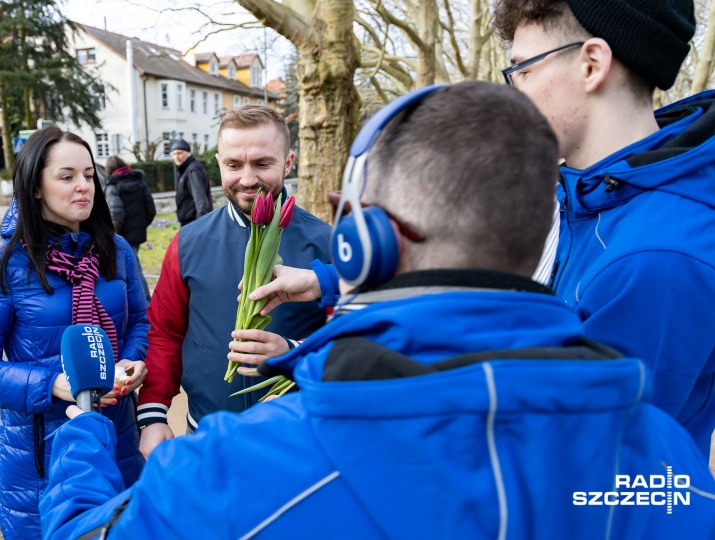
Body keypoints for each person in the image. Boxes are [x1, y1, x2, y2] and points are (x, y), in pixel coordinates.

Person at [39, 81, 715, 539]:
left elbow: (82, 530)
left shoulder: (234, 468)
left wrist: (84, 429)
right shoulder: (671, 470)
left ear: (361, 243)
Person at [493, 0, 715, 453]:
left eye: (524, 70)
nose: (514, 92)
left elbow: (573, 464)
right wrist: (331, 280)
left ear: (592, 64)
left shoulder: (655, 259)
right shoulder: (582, 198)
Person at [0, 126, 150, 539]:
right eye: (66, 177)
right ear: (36, 187)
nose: (84, 187)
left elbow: (139, 322)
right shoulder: (2, 265)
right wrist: (53, 384)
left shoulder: (117, 251)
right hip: (43, 453)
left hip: (119, 435)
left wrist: (133, 361)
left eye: (88, 175)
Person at [136, 105, 333, 457]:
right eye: (233, 165)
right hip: (206, 433)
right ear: (218, 162)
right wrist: (153, 414)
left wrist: (293, 351)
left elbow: (356, 338)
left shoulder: (327, 244)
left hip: (297, 440)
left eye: (262, 164)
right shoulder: (189, 241)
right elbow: (165, 331)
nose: (246, 179)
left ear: (288, 163)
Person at [103, 156, 156, 300]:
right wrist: (139, 226)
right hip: (136, 234)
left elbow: (116, 213)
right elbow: (151, 209)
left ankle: (144, 298)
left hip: (122, 234)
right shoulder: (139, 182)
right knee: (132, 266)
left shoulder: (113, 186)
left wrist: (113, 235)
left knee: (133, 269)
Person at [170, 139, 212, 225]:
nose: (176, 157)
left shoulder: (193, 170)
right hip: (189, 221)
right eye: (174, 154)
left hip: (193, 221)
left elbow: (199, 198)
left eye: (179, 153)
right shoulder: (185, 170)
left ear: (189, 153)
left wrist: (201, 222)